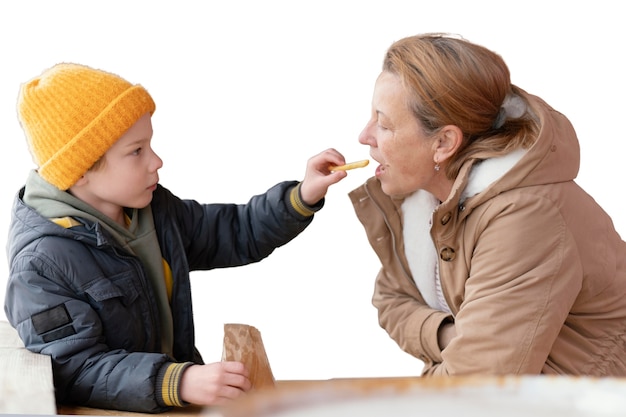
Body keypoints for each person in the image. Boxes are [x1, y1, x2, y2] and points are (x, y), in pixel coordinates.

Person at [4, 63, 351, 413]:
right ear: (79, 171)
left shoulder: (154, 210)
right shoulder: (40, 265)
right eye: (136, 151)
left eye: (150, 145)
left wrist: (302, 195)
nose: (157, 161)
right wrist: (177, 381)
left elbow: (234, 231)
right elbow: (75, 369)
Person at [349, 33, 626, 377]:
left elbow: (475, 385)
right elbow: (391, 298)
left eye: (384, 124)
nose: (364, 135)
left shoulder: (526, 215)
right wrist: (448, 334)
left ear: (444, 143)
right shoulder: (423, 198)